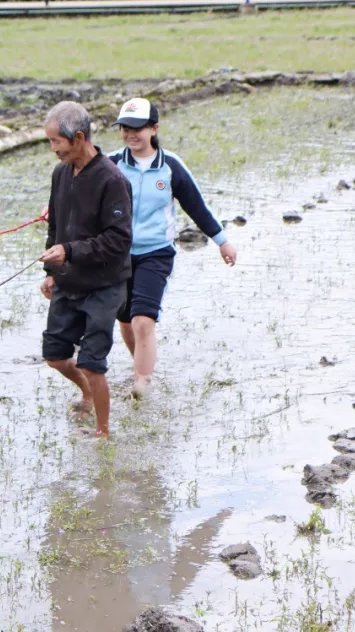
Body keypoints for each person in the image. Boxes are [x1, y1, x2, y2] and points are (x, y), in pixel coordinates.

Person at [109, 98, 237, 400]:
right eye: (125, 128)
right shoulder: (111, 164)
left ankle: (142, 382)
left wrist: (222, 241)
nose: (130, 134)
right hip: (118, 253)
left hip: (156, 253)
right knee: (125, 320)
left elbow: (196, 206)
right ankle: (142, 362)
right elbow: (81, 191)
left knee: (143, 320)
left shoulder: (170, 167)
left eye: (138, 128)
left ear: (154, 129)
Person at [39, 101, 132, 439]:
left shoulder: (112, 180)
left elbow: (119, 240)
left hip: (104, 285)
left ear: (78, 138)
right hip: (68, 280)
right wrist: (51, 270)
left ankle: (103, 434)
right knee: (55, 356)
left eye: (56, 141)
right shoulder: (61, 174)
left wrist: (71, 251)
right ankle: (88, 392)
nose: (53, 149)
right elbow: (56, 226)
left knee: (92, 363)